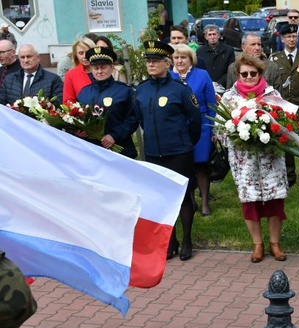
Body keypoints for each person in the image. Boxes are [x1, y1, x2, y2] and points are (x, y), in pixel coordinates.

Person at [134, 40, 202, 261]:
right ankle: (171, 240)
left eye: (155, 61)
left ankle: (188, 239)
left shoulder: (180, 90)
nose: (151, 64)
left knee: (182, 198)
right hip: (154, 153)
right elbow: (141, 119)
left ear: (166, 63)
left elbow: (195, 120)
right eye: (148, 61)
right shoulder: (141, 90)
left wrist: (185, 142)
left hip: (179, 151)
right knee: (163, 200)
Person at [221, 54, 291, 263]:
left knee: (274, 202)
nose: (249, 77)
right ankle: (257, 244)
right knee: (250, 203)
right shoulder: (229, 98)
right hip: (245, 161)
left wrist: (270, 133)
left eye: (254, 73)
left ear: (260, 73)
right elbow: (220, 131)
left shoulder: (272, 95)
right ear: (237, 74)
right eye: (245, 74)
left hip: (271, 159)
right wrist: (237, 135)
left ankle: (275, 244)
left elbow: (286, 124)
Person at [266, 23, 299, 189]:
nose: (291, 39)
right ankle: (289, 174)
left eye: (294, 36)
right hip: (284, 107)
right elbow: (272, 87)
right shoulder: (275, 59)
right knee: (286, 140)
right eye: (288, 37)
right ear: (282, 39)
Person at [170, 43, 217, 216]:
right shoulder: (168, 76)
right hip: (178, 127)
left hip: (202, 126)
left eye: (183, 57)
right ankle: (190, 201)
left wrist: (213, 128)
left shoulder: (202, 75)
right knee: (184, 165)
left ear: (191, 59)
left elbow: (211, 103)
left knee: (201, 165)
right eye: (176, 57)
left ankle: (204, 201)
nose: (180, 60)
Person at [76, 47, 138, 158]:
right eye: (96, 68)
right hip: (92, 151)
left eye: (103, 67)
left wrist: (114, 136)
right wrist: (79, 131)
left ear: (112, 68)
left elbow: (132, 119)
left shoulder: (124, 91)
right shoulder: (84, 93)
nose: (99, 71)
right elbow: (77, 117)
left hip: (120, 149)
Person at [196, 24, 235, 90]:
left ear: (218, 35)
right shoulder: (200, 51)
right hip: (206, 85)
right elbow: (198, 70)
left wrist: (219, 82)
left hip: (224, 86)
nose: (212, 37)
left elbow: (231, 70)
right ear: (206, 37)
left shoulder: (228, 50)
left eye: (214, 34)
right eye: (210, 34)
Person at [62, 37, 96, 103]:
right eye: (81, 53)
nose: (85, 56)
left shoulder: (103, 70)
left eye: (88, 52)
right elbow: (68, 102)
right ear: (76, 56)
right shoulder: (71, 75)